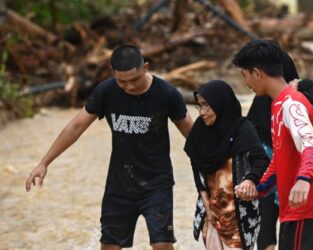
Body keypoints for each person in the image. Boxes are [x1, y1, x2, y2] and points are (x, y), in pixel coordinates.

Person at [25, 45, 193, 250]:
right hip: (119, 185)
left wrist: (214, 164)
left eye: (134, 80)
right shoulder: (106, 91)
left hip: (157, 183)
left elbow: (189, 130)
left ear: (146, 67)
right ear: (113, 73)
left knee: (162, 245)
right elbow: (76, 126)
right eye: (122, 81)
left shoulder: (166, 93)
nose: (129, 87)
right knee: (109, 246)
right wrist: (44, 162)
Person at [233, 39, 313, 250]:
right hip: (293, 205)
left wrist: (304, 179)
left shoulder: (291, 104)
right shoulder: (278, 104)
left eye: (245, 75)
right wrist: (259, 187)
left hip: (305, 204)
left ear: (257, 73)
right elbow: (279, 159)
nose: (246, 83)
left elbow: (310, 143)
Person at [184, 80, 270, 250]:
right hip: (212, 211)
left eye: (207, 106)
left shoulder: (242, 129)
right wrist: (207, 207)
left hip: (239, 213)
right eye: (199, 106)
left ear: (220, 104)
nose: (202, 112)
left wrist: (250, 180)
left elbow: (261, 160)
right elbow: (197, 172)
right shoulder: (199, 132)